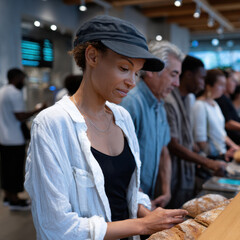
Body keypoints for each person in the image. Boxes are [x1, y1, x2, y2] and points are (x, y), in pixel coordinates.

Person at [24, 15, 187, 240]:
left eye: (136, 73)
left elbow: (126, 190)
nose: (132, 81)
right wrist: (142, 225)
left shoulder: (122, 117)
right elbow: (56, 226)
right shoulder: (53, 124)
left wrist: (149, 216)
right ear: (92, 56)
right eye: (123, 68)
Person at [121, 40, 184, 209]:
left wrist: (166, 191)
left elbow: (164, 151)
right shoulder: (131, 102)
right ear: (151, 70)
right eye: (173, 75)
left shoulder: (159, 104)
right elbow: (119, 161)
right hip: (125, 200)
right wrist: (140, 201)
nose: (177, 83)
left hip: (144, 198)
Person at [164, 56, 226, 209]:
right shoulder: (169, 100)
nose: (203, 83)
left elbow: (188, 136)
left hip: (188, 169)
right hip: (171, 172)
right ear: (188, 75)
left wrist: (200, 154)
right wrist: (207, 161)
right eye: (201, 78)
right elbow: (173, 144)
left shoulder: (190, 98)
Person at [0, 68, 46, 210]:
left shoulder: (3, 90)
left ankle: (8, 196)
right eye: (22, 78)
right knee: (14, 171)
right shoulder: (14, 92)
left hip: (4, 138)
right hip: (14, 139)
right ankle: (15, 200)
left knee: (6, 170)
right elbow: (20, 116)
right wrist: (38, 109)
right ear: (16, 78)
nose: (23, 81)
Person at [192, 69, 239, 159]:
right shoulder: (199, 105)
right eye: (221, 85)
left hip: (222, 154)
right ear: (209, 86)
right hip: (211, 158)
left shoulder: (215, 103)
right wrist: (220, 155)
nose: (224, 89)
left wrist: (234, 146)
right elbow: (201, 141)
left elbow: (221, 133)